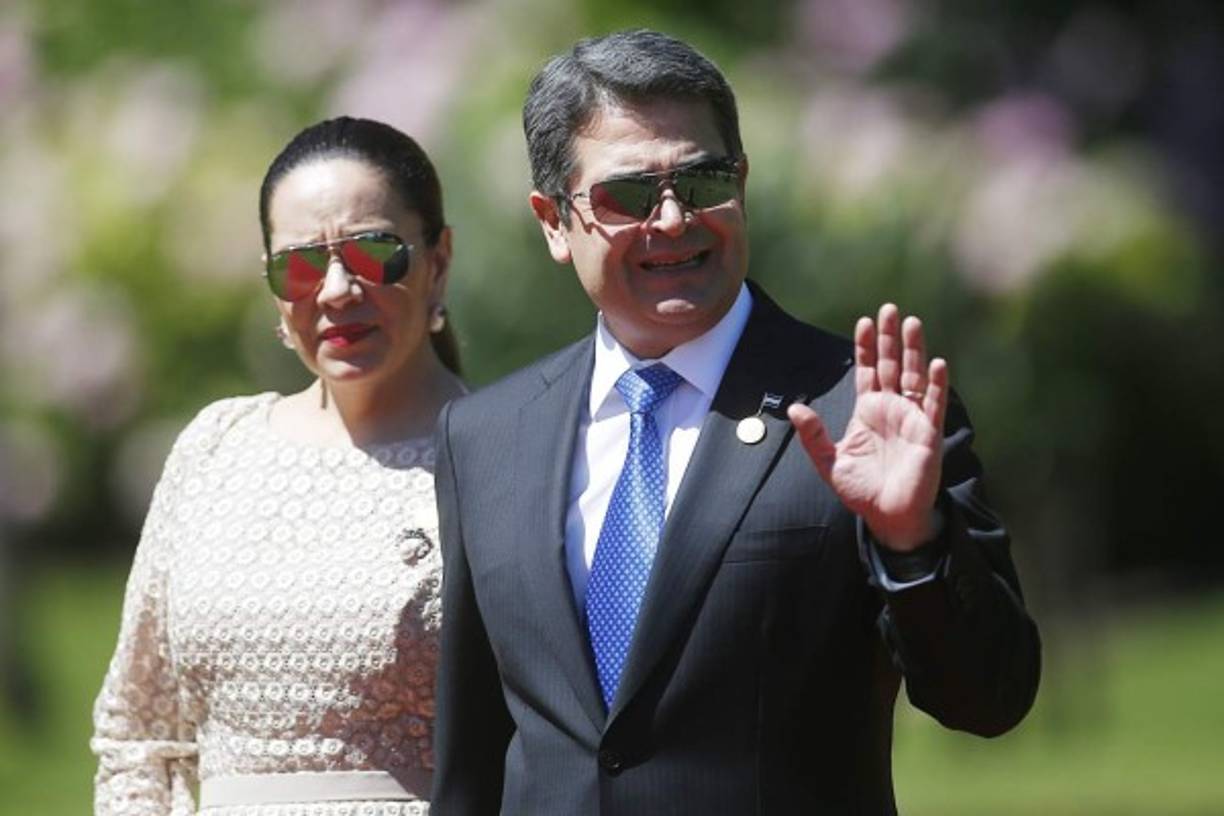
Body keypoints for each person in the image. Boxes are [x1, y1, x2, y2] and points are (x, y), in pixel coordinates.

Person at [430, 29, 1040, 815]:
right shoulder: (484, 436)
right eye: (630, 196)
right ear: (554, 222)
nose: (675, 218)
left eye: (704, 178)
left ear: (741, 186)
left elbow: (989, 698)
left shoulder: (862, 410)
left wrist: (912, 542)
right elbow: (474, 760)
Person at [92, 116, 463, 815]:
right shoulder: (213, 448)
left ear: (437, 261)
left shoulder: (504, 451)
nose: (335, 290)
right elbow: (136, 734)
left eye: (374, 252)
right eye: (298, 265)